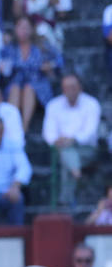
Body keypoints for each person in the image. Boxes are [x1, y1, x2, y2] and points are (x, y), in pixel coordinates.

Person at [41, 74, 100, 209]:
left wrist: (71, 139)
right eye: (67, 87)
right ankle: (75, 172)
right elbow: (48, 133)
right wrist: (58, 140)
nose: (70, 90)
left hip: (86, 149)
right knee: (66, 152)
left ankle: (65, 202)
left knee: (67, 154)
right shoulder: (53, 105)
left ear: (80, 87)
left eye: (73, 87)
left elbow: (89, 132)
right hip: (60, 148)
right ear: (62, 89)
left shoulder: (91, 103)